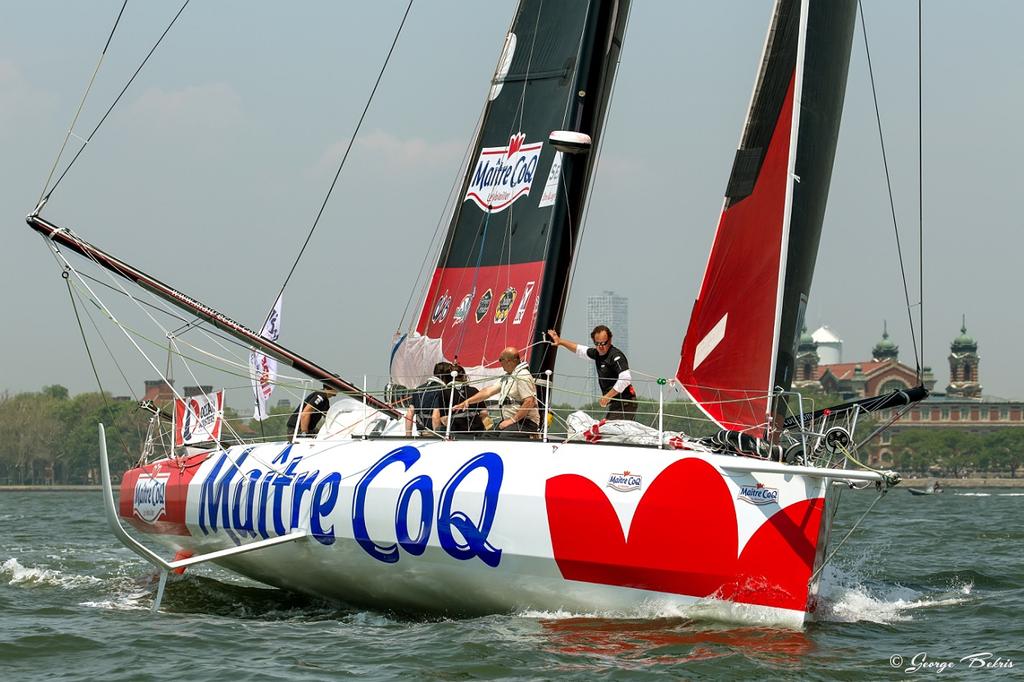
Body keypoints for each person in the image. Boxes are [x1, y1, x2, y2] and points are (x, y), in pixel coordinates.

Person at [547, 325, 637, 420]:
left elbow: (626, 378)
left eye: (603, 343)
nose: (600, 347)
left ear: (610, 340)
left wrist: (608, 396)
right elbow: (580, 350)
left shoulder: (615, 355)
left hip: (626, 403)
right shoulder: (597, 354)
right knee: (606, 431)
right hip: (615, 404)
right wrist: (560, 341)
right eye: (597, 343)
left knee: (607, 431)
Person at [452, 347, 539, 436]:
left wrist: (512, 420)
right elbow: (488, 391)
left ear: (508, 361)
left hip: (525, 422)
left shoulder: (523, 375)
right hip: (511, 421)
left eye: (500, 360)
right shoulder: (508, 377)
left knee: (504, 437)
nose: (500, 363)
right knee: (487, 436)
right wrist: (467, 401)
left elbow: (529, 401)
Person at [404, 361, 453, 436]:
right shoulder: (442, 390)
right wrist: (438, 436)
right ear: (447, 376)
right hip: (435, 434)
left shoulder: (418, 389)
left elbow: (409, 414)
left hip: (421, 433)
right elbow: (435, 416)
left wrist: (408, 436)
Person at [440, 364, 490, 435]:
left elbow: (443, 418)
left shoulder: (444, 392)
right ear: (464, 376)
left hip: (456, 430)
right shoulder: (474, 390)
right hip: (476, 429)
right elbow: (484, 413)